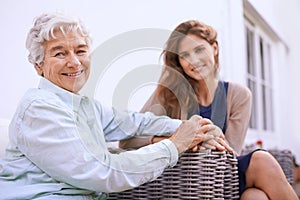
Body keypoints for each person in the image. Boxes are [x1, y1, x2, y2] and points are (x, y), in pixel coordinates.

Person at [0, 13, 232, 200]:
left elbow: (135, 121)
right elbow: (103, 172)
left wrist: (192, 127)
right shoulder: (40, 109)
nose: (74, 61)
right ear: (39, 66)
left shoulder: (84, 106)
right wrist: (175, 144)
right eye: (60, 53)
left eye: (80, 50)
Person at [119, 20, 298, 200]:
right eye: (184, 55)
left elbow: (231, 153)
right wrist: (174, 140)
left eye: (199, 50)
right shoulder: (168, 93)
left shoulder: (238, 95)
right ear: (179, 62)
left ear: (214, 48)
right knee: (256, 190)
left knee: (256, 192)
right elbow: (127, 140)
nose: (193, 60)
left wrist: (203, 139)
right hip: (185, 179)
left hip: (224, 177)